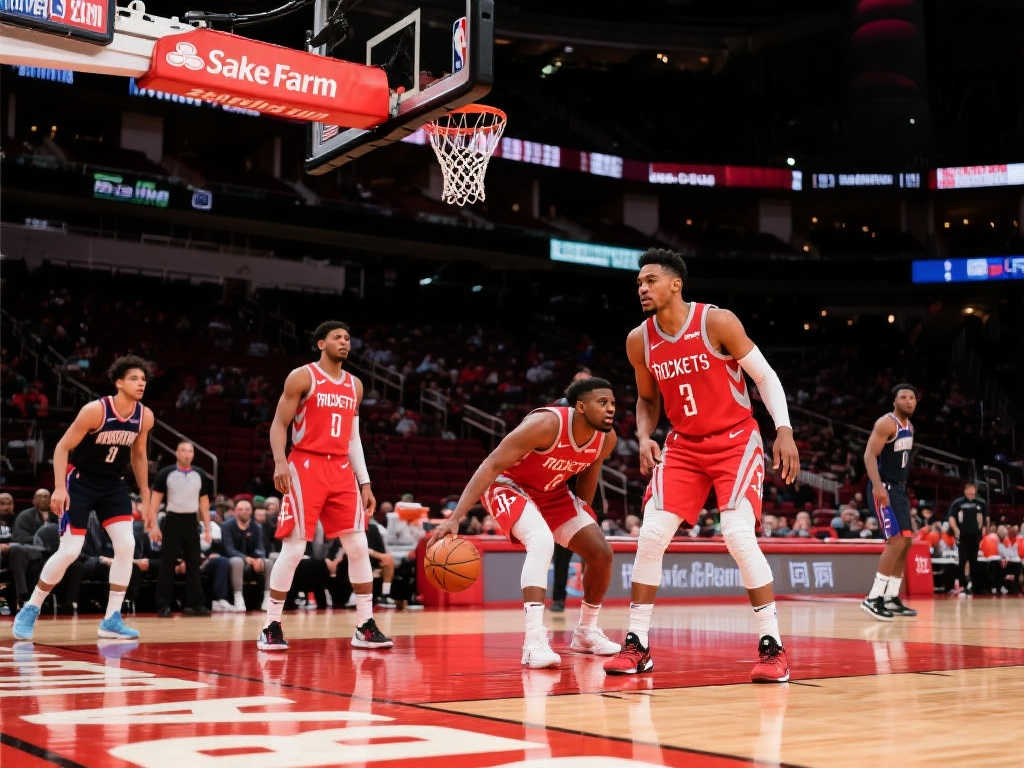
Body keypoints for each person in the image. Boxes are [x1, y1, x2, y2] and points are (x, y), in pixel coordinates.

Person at [603, 249, 799, 682]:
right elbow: (647, 399)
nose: (642, 288)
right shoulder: (639, 340)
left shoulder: (717, 321)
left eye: (650, 280)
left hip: (735, 439)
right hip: (684, 445)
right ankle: (637, 644)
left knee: (737, 535)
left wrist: (783, 429)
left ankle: (773, 647)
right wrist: (643, 436)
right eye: (639, 283)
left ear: (676, 284)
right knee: (650, 535)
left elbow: (764, 376)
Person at [429, 377, 620, 668]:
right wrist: (456, 517)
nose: (611, 409)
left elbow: (589, 472)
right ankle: (533, 643)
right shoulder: (546, 423)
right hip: (508, 485)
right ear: (581, 406)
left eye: (613, 403)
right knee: (541, 541)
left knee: (601, 553)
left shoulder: (607, 438)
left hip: (553, 493)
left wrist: (582, 512)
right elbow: (491, 464)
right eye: (602, 403)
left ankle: (586, 632)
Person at [258, 320, 391, 651]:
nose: (344, 342)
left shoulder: (355, 385)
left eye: (347, 337)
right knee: (294, 549)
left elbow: (353, 438)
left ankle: (365, 625)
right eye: (337, 337)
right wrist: (280, 461)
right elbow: (279, 424)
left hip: (341, 468)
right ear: (321, 343)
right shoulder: (302, 377)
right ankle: (270, 624)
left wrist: (365, 481)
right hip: (306, 464)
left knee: (358, 546)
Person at [13, 356, 154, 641]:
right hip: (81, 482)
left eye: (143, 379)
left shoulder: (145, 416)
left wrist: (146, 494)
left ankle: (111, 619)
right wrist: (59, 488)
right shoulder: (95, 411)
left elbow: (139, 455)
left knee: (127, 545)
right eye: (134, 378)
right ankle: (31, 607)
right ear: (118, 383)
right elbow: (62, 447)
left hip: (113, 485)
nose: (141, 383)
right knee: (70, 551)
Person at [861, 384, 919, 620]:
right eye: (903, 397)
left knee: (906, 541)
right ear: (894, 402)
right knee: (895, 541)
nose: (908, 401)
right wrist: (877, 486)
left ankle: (891, 597)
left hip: (898, 490)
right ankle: (873, 597)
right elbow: (869, 455)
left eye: (912, 397)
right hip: (883, 487)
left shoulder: (910, 427)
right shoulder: (886, 423)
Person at [150, 441, 212, 617]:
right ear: (176, 453)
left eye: (190, 451)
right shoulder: (166, 473)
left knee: (194, 563)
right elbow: (155, 503)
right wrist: (153, 525)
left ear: (193, 454)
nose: (186, 454)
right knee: (167, 564)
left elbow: (204, 504)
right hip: (172, 520)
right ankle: (163, 605)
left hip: (192, 521)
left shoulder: (200, 474)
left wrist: (208, 528)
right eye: (183, 450)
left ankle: (195, 604)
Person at [551, 366, 593, 613]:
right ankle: (558, 599)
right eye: (580, 382)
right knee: (562, 551)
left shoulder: (599, 415)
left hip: (587, 487)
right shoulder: (559, 409)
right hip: (562, 485)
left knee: (594, 549)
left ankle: (591, 600)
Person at [947, 482, 986, 595]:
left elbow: (985, 518)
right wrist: (955, 529)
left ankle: (974, 586)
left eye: (973, 491)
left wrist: (983, 531)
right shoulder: (958, 503)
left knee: (974, 561)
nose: (971, 493)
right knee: (962, 561)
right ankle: (962, 586)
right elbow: (951, 517)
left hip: (975, 536)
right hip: (962, 536)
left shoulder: (981, 503)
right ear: (965, 491)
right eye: (969, 491)